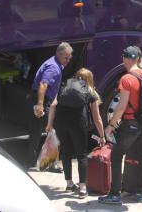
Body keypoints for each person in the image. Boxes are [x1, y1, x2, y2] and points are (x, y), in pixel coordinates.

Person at [98, 46, 142, 205]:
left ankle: (115, 195)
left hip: (130, 123)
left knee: (116, 155)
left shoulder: (126, 79)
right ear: (138, 58)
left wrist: (111, 125)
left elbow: (121, 106)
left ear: (124, 58)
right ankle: (140, 194)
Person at [46, 68, 105, 198]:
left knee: (66, 152)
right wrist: (102, 135)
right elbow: (97, 117)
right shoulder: (90, 91)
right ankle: (83, 188)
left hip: (61, 123)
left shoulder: (65, 87)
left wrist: (49, 124)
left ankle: (69, 183)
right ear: (89, 79)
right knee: (81, 154)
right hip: (78, 124)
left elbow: (53, 105)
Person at [28, 42, 73, 169]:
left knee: (38, 131)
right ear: (59, 55)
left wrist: (54, 99)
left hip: (45, 99)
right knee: (51, 129)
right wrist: (40, 105)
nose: (68, 60)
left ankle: (37, 162)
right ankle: (50, 163)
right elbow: (43, 85)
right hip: (41, 100)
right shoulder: (53, 67)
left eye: (70, 58)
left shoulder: (57, 63)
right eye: (66, 57)